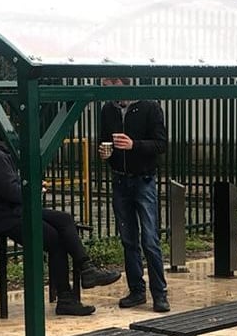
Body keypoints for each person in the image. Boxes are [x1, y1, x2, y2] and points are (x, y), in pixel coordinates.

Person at [0, 123, 121, 316]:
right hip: (5, 216)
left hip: (9, 211)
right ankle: (79, 280)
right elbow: (12, 192)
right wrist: (34, 189)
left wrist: (29, 188)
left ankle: (85, 271)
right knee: (55, 239)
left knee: (63, 221)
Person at [97, 77, 171, 312]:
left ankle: (159, 293)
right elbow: (102, 140)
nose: (106, 92)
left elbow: (161, 144)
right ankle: (137, 291)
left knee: (150, 239)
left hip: (144, 179)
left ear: (121, 82)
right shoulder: (108, 110)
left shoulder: (149, 106)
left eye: (108, 86)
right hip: (120, 178)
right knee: (128, 239)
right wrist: (103, 152)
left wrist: (134, 145)